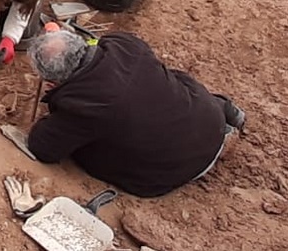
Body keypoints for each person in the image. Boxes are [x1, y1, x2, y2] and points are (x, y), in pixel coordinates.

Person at [25, 29, 245, 197]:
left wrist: (56, 101)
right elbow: (98, 42)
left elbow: (43, 147)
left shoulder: (82, 106)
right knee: (164, 81)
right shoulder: (125, 44)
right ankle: (224, 108)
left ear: (53, 82)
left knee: (87, 152)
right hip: (209, 117)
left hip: (178, 167)